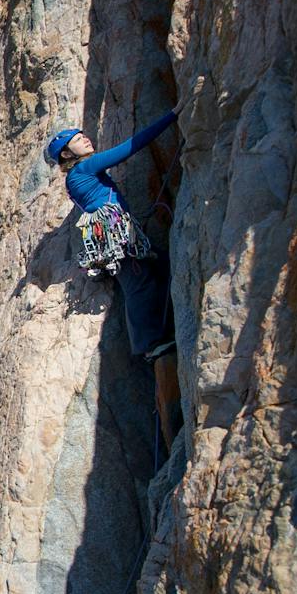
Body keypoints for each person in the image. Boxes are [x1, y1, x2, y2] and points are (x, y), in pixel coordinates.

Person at [45, 107, 183, 450]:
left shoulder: (76, 178)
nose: (85, 138)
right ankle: (153, 344)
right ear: (67, 153)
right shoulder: (83, 169)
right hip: (118, 241)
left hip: (118, 239)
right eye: (77, 139)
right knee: (139, 282)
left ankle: (155, 342)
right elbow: (128, 148)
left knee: (152, 273)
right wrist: (173, 115)